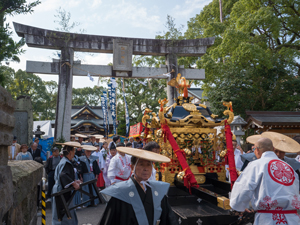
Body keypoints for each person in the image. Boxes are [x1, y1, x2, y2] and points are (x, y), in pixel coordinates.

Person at [99, 146, 179, 225]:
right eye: (141, 164)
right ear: (132, 167)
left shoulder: (158, 191)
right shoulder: (120, 192)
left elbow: (169, 219)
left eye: (148, 165)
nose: (146, 168)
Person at [230, 137, 300, 225]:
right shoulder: (289, 167)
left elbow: (244, 187)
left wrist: (238, 207)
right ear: (273, 149)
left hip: (268, 219)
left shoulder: (256, 165)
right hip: (292, 218)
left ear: (257, 150)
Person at [52, 142, 82, 225]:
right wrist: (74, 184)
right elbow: (63, 175)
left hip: (60, 188)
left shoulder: (64, 161)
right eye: (74, 150)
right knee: (63, 213)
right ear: (70, 152)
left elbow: (64, 175)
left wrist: (74, 181)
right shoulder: (66, 162)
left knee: (62, 212)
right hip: (61, 190)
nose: (75, 152)